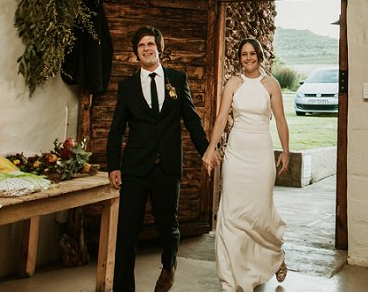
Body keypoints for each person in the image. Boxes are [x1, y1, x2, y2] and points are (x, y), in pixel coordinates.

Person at [107, 25, 211, 292]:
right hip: (134, 169)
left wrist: (207, 151)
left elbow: (191, 119)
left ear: (159, 48)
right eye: (141, 45)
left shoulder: (177, 79)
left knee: (168, 227)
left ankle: (169, 264)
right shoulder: (128, 86)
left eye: (150, 44)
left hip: (167, 167)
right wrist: (114, 166)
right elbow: (117, 129)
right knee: (126, 234)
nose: (146, 48)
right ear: (136, 52)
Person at [202, 37, 291, 291]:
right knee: (232, 215)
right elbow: (221, 119)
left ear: (259, 56)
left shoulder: (271, 84)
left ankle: (275, 257)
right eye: (244, 54)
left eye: (253, 53)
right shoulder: (233, 83)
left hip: (261, 153)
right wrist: (211, 148)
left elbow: (281, 121)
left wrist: (285, 151)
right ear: (239, 58)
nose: (249, 58)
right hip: (237, 153)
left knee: (259, 213)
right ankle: (233, 279)